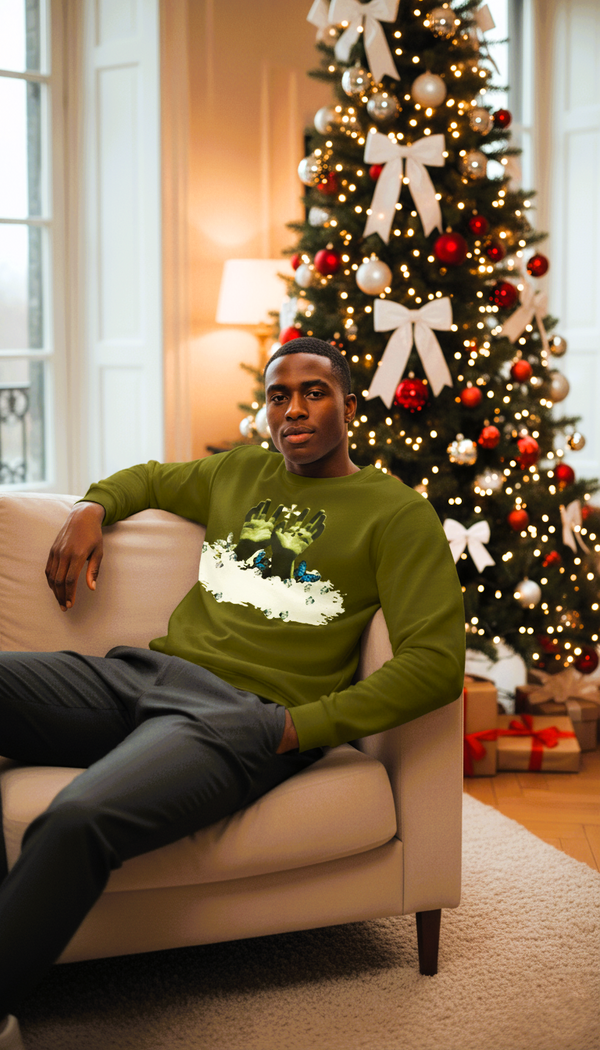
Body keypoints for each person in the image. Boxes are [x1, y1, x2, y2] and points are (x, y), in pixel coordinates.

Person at [0, 337, 465, 1048]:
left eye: (314, 392)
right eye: (279, 395)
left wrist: (298, 729)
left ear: (349, 404)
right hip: (143, 676)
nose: (294, 409)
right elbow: (150, 480)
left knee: (76, 819)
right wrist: (93, 508)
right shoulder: (239, 472)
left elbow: (435, 663)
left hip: (238, 721)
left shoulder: (396, 514)